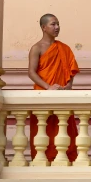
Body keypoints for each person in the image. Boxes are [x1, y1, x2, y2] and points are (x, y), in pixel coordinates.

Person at [28, 14, 79, 162]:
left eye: (58, 24)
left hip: (62, 96)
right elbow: (31, 72)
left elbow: (71, 70)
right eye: (53, 24)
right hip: (43, 95)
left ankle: (66, 159)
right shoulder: (36, 48)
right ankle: (43, 159)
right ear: (44, 27)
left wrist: (68, 86)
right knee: (43, 129)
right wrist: (48, 87)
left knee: (64, 129)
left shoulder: (64, 48)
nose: (57, 27)